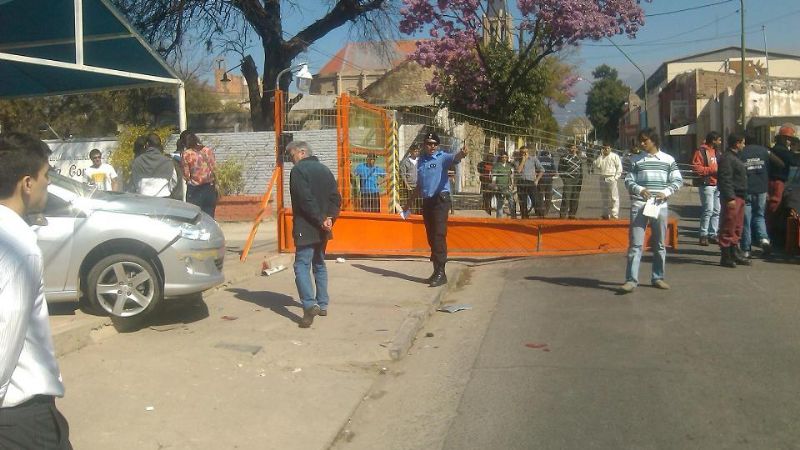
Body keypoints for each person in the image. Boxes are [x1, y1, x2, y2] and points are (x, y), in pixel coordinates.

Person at [0, 133, 73, 449]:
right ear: (26, 183)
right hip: (21, 421)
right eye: (46, 175)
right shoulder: (17, 246)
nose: (48, 184)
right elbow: (4, 338)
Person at [619, 128, 683, 293]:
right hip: (639, 205)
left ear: (654, 141)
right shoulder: (635, 160)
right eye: (640, 140)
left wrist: (666, 192)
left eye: (645, 140)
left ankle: (658, 277)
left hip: (659, 206)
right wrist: (640, 190)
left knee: (660, 244)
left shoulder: (668, 160)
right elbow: (628, 180)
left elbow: (677, 180)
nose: (641, 144)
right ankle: (631, 280)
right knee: (636, 244)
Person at [287, 141, 341, 328]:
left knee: (301, 264)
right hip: (323, 226)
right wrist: (329, 219)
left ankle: (309, 305)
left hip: (307, 225)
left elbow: (305, 199)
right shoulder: (325, 170)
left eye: (291, 155)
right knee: (319, 262)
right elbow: (336, 198)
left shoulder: (298, 171)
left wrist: (319, 219)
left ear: (302, 152)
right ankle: (323, 304)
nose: (291, 160)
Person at [404, 132, 466, 287]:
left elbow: (455, 158)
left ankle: (441, 272)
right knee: (431, 236)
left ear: (438, 145)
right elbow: (419, 185)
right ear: (424, 145)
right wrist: (409, 203)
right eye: (428, 143)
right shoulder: (422, 161)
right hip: (428, 201)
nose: (431, 146)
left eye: (434, 144)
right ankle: (436, 270)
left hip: (440, 200)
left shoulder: (442, 157)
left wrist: (462, 153)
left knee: (439, 235)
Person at [717, 133, 750, 268]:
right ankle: (726, 256)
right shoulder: (727, 158)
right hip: (733, 196)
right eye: (742, 143)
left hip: (740, 195)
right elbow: (725, 179)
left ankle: (734, 251)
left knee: (737, 225)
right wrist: (730, 197)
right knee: (728, 225)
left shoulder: (735, 157)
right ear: (737, 143)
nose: (744, 145)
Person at [766, 124, 799, 246]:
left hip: (778, 181)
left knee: (775, 207)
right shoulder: (781, 150)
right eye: (788, 139)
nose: (789, 142)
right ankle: (770, 235)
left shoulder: (781, 150)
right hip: (777, 181)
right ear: (782, 139)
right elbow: (793, 161)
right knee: (774, 207)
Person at [738, 134, 771, 258]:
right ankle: (764, 239)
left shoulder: (742, 152)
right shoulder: (764, 151)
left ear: (745, 141)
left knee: (746, 220)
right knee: (759, 215)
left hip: (746, 189)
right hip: (762, 188)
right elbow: (770, 167)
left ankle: (746, 249)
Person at [692, 131, 721, 246]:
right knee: (708, 209)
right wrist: (712, 170)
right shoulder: (701, 152)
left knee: (717, 210)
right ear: (713, 140)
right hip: (706, 184)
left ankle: (713, 233)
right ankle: (703, 234)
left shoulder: (717, 152)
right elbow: (696, 168)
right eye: (718, 140)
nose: (720, 142)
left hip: (717, 184)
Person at [130, 133, 178, 198]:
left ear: (147, 145)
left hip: (144, 199)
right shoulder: (168, 162)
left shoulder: (138, 161)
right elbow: (174, 181)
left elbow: (134, 181)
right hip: (164, 199)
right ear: (160, 145)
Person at [182, 133, 218, 217]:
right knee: (209, 217)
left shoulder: (187, 154)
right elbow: (214, 168)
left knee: (194, 217)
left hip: (195, 190)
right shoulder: (208, 150)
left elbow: (186, 175)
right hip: (209, 188)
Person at [593, 144, 623, 219]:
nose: (606, 150)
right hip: (603, 177)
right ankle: (605, 214)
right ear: (603, 149)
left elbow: (619, 167)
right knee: (604, 197)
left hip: (611, 177)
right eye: (605, 148)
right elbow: (597, 165)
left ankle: (614, 214)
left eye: (608, 148)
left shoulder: (615, 156)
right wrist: (600, 156)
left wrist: (616, 177)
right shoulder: (601, 157)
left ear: (610, 149)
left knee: (614, 197)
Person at [514, 146, 543, 219]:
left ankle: (540, 216)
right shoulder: (517, 160)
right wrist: (523, 161)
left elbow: (542, 170)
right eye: (522, 152)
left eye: (525, 152)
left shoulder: (533, 159)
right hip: (521, 182)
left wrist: (537, 180)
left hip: (530, 182)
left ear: (528, 152)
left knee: (536, 200)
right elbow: (518, 171)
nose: (523, 154)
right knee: (522, 202)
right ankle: (525, 218)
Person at [558, 143, 583, 219]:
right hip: (568, 180)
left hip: (577, 180)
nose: (573, 150)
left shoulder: (579, 159)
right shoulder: (564, 158)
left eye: (575, 148)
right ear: (569, 149)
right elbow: (560, 170)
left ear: (577, 149)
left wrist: (580, 182)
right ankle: (562, 215)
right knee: (566, 198)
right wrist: (564, 179)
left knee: (575, 198)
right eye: (572, 148)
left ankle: (572, 215)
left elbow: (581, 171)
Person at [492, 151, 516, 218]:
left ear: (507, 158)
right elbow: (494, 176)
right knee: (500, 203)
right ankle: (499, 219)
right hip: (499, 187)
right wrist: (494, 185)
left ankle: (513, 217)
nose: (504, 158)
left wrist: (512, 184)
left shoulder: (509, 166)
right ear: (500, 158)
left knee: (511, 201)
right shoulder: (497, 166)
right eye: (503, 157)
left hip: (508, 187)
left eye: (505, 157)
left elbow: (512, 176)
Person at [535, 149, 557, 217]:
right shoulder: (551, 160)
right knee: (548, 197)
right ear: (548, 154)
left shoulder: (538, 159)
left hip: (540, 180)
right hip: (549, 180)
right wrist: (550, 176)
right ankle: (546, 211)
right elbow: (554, 172)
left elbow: (535, 170)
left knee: (540, 197)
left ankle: (540, 212)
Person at [399, 144, 419, 214]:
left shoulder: (419, 161)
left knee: (418, 203)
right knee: (410, 203)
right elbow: (403, 174)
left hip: (418, 186)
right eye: (415, 151)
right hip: (409, 187)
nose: (416, 153)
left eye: (417, 151)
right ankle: (411, 215)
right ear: (411, 152)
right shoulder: (405, 162)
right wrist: (407, 185)